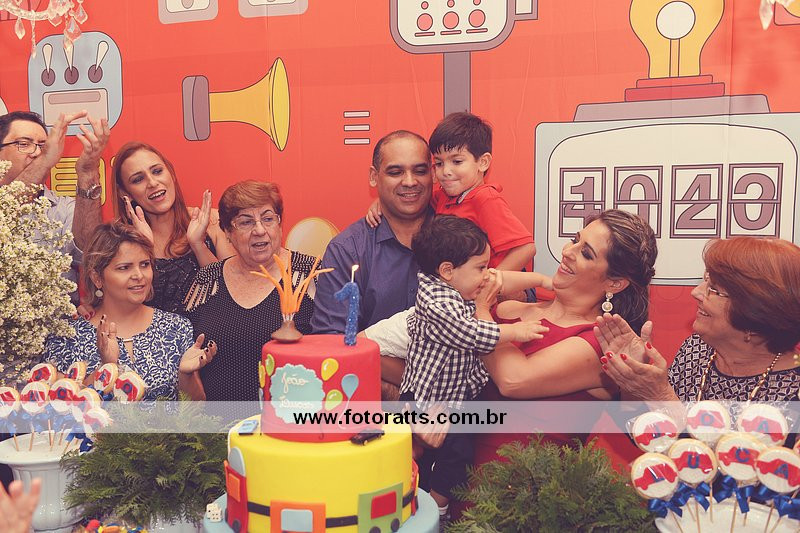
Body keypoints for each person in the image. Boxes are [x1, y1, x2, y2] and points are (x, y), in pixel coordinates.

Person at [473, 209, 657, 463]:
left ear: (614, 283)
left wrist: (481, 310)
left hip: (524, 484)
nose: (568, 251)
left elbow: (513, 380)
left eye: (586, 253)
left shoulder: (598, 344)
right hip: (452, 472)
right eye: (574, 240)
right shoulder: (508, 310)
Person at [397, 215, 547, 519]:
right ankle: (423, 504)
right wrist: (514, 332)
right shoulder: (435, 302)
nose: (487, 275)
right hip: (424, 398)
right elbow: (472, 333)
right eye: (481, 268)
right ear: (447, 271)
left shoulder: (462, 282)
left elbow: (500, 280)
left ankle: (436, 502)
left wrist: (542, 281)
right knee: (421, 457)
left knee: (460, 453)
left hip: (457, 396)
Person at [596, 237, 800, 403]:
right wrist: (634, 379)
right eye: (705, 280)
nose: (696, 292)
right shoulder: (697, 349)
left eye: (713, 289)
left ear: (756, 315)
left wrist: (662, 397)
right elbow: (649, 432)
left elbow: (716, 445)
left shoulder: (792, 391)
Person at [311, 131, 434, 386]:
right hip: (375, 400)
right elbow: (332, 345)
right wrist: (397, 392)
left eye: (420, 170)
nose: (410, 181)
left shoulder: (460, 235)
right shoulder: (347, 249)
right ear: (373, 177)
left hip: (460, 400)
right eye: (395, 172)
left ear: (433, 173)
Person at [45, 222, 215, 401]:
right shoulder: (67, 337)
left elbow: (196, 408)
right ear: (97, 278)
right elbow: (57, 411)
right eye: (124, 268)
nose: (139, 276)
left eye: (144, 264)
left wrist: (186, 375)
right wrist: (106, 367)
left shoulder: (176, 327)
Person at [184, 180, 318, 403]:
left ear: (280, 224)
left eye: (268, 219)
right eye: (245, 222)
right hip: (219, 422)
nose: (259, 230)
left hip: (289, 419)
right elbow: (185, 353)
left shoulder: (310, 275)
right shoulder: (207, 280)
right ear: (227, 232)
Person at [366, 112, 535, 271]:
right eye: (439, 163)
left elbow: (526, 248)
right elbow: (410, 197)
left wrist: (492, 282)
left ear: (483, 162)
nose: (446, 171)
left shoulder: (486, 199)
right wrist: (381, 202)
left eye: (457, 161)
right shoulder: (444, 197)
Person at [112, 142, 235, 315]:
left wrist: (199, 246)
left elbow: (234, 298)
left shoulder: (213, 222)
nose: (152, 183)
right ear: (125, 193)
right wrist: (144, 249)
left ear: (171, 173)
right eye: (138, 179)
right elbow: (125, 311)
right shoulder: (120, 240)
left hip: (215, 330)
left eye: (157, 171)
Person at [0, 110, 107, 305]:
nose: (37, 152)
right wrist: (44, 161)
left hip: (57, 322)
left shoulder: (63, 208)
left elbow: (91, 256)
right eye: (24, 144)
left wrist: (88, 172)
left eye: (43, 146)